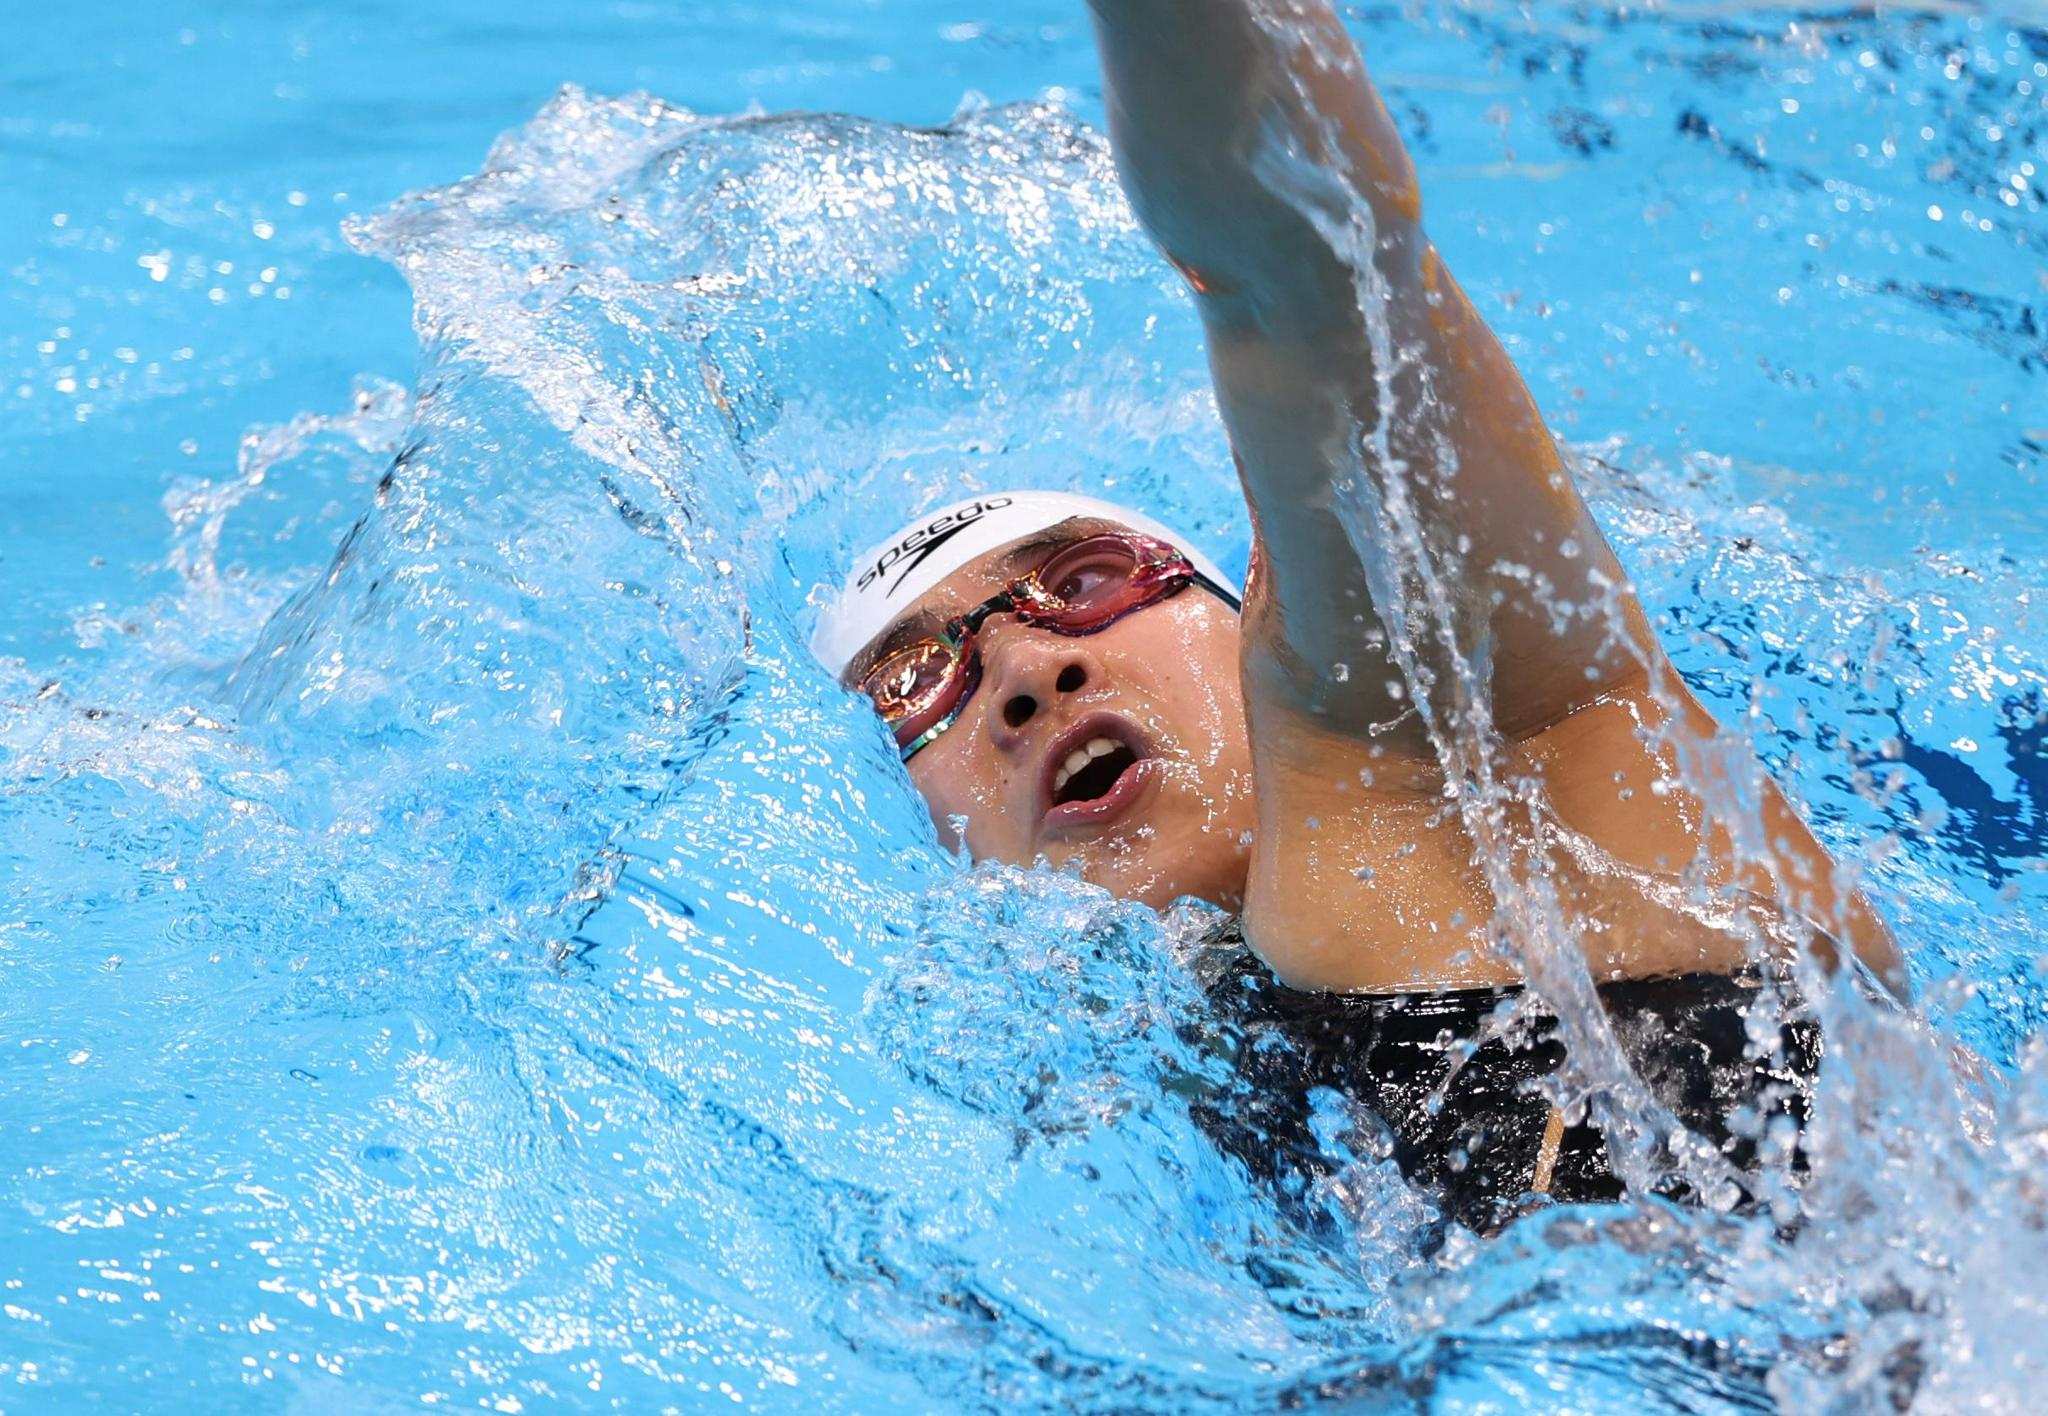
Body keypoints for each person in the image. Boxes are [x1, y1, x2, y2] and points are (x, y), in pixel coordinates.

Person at [811, 0, 1904, 1230]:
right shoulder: (1137, 1177)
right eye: (914, 685)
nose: (1023, 672)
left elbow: (1298, 258)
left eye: (1084, 583)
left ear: (1251, 613)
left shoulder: (1488, 768)